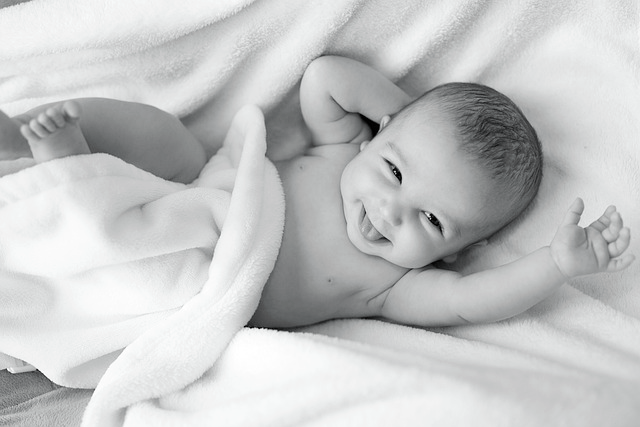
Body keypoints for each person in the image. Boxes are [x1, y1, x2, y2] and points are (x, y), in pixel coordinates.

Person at [1, 56, 633, 329]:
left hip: (204, 278)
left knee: (142, 268)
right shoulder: (342, 149)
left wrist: (555, 264)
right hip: (203, 191)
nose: (391, 210)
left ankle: (69, 174)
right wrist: (405, 119)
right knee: (165, 137)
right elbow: (324, 77)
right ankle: (26, 138)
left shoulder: (393, 285)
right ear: (377, 137)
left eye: (432, 221)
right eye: (395, 172)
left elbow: (473, 303)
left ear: (457, 252)